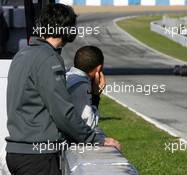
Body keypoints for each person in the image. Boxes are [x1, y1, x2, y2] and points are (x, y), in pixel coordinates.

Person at [5, 4, 120, 175]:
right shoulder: (49, 58)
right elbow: (62, 111)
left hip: (16, 152)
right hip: (38, 157)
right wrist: (95, 139)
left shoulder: (22, 55)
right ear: (67, 29)